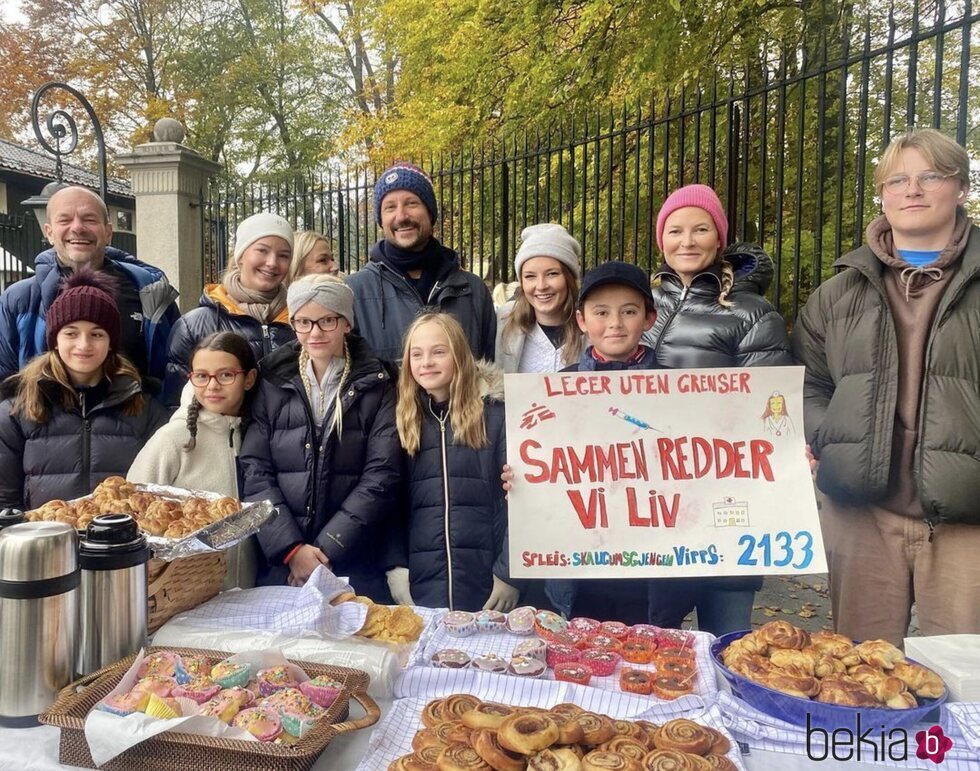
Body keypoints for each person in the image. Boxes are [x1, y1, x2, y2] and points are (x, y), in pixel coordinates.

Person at [793, 128, 980, 646]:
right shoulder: (838, 292)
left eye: (930, 176)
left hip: (967, 516)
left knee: (967, 687)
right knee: (861, 677)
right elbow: (808, 382)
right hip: (862, 513)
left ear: (960, 188)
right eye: (897, 179)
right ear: (883, 194)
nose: (912, 190)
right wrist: (825, 437)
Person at [644, 183, 793, 636]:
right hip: (653, 498)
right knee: (651, 636)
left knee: (726, 637)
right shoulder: (642, 303)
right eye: (675, 231)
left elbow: (770, 410)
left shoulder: (752, 313)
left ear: (719, 239)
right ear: (661, 239)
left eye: (700, 229)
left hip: (725, 497)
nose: (686, 242)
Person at [515, 260, 660, 624]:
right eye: (601, 312)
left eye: (629, 311)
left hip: (652, 569)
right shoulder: (553, 391)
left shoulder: (677, 388)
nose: (614, 323)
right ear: (581, 321)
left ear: (649, 318)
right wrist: (519, 477)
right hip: (580, 570)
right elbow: (539, 464)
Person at [240, 274, 400, 600]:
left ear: (346, 323)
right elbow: (255, 469)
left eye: (327, 320)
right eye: (303, 322)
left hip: (352, 557)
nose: (314, 332)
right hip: (283, 564)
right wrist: (291, 549)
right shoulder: (272, 380)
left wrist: (326, 548)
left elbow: (381, 475)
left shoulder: (379, 383)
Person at [0, 271, 168, 510]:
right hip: (47, 543)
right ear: (55, 339)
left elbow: (160, 497)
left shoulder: (145, 408)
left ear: (111, 342)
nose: (83, 345)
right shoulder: (15, 411)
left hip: (122, 544)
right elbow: (4, 503)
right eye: (71, 333)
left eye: (97, 334)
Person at [387, 313, 519, 613]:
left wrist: (510, 573)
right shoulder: (404, 419)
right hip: (423, 583)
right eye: (416, 354)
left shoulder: (497, 415)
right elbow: (391, 502)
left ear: (459, 354)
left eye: (439, 352)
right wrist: (395, 565)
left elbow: (521, 500)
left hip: (488, 583)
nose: (426, 362)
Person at [0, 185, 180, 392]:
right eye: (65, 220)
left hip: (139, 419)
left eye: (89, 219)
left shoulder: (150, 292)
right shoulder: (19, 300)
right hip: (43, 422)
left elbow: (176, 372)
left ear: (108, 232)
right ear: (49, 232)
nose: (77, 227)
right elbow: (5, 384)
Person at [127, 331, 259, 588]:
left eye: (226, 375)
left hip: (249, 594)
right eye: (201, 376)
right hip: (183, 597)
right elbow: (131, 508)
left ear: (249, 378)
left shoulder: (257, 435)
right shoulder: (173, 439)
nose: (212, 386)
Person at [346, 163, 496, 362]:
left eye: (411, 203)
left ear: (430, 212)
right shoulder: (354, 291)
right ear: (381, 221)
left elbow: (490, 373)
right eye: (390, 207)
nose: (401, 216)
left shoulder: (472, 290)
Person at [165, 212, 296, 404]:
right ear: (240, 256)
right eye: (262, 250)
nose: (272, 263)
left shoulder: (302, 321)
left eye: (283, 255)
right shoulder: (192, 326)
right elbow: (175, 404)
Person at [496, 223, 584, 373]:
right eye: (530, 276)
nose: (541, 286)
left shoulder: (594, 326)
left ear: (569, 278)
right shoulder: (504, 323)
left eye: (552, 274)